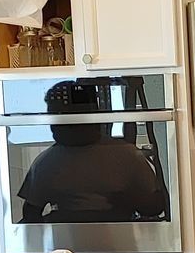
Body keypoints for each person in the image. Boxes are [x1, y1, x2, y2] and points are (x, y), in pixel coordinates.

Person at [15, 79, 169, 225]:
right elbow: (30, 216)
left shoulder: (126, 155)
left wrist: (128, 199)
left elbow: (156, 206)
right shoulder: (47, 163)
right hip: (67, 248)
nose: (57, 127)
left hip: (120, 242)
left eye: (62, 122)